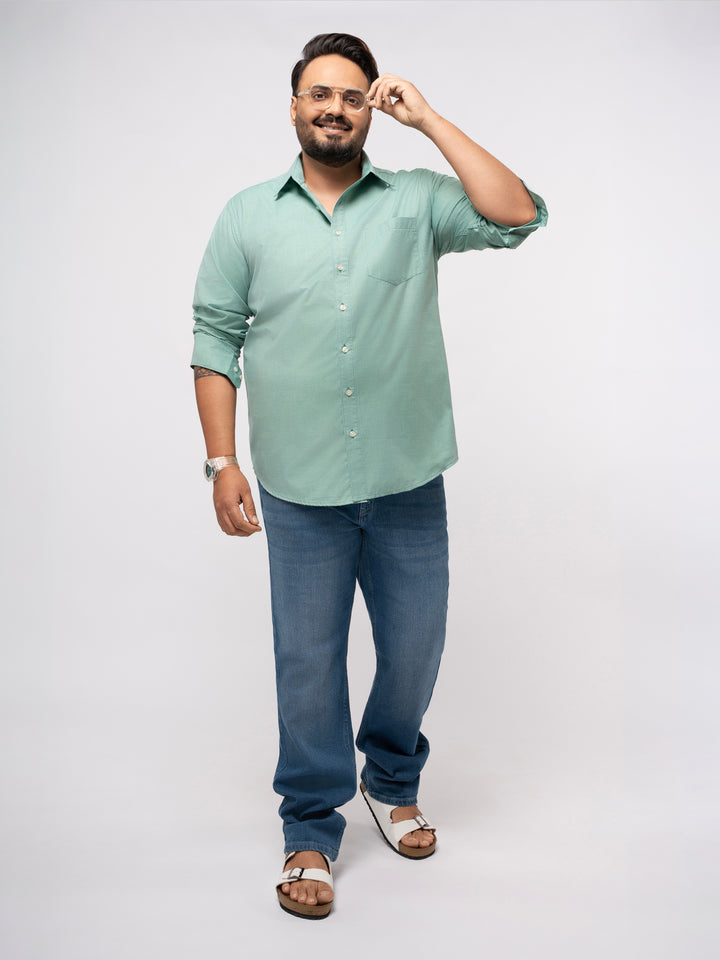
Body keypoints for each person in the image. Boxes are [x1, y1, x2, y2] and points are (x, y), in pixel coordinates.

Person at [191, 33, 547, 919]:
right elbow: (214, 338)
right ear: (294, 106)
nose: (335, 109)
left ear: (370, 109)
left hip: (405, 480)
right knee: (307, 663)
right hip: (299, 486)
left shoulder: (418, 201)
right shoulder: (246, 216)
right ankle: (310, 826)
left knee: (415, 648)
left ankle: (389, 781)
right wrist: (222, 462)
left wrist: (429, 120)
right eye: (319, 93)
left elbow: (517, 214)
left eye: (352, 96)